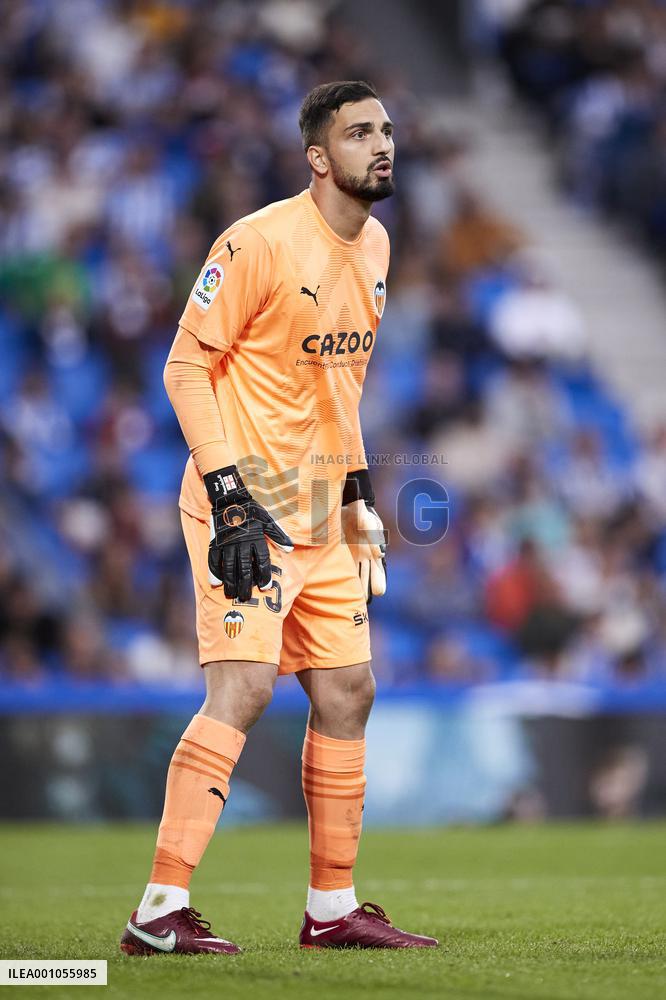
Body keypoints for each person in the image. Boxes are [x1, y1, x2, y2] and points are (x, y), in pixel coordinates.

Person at [120, 80, 438, 954]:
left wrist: (360, 492)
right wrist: (227, 497)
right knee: (246, 687)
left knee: (348, 691)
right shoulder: (257, 242)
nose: (383, 144)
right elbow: (185, 369)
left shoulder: (374, 244)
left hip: (322, 508)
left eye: (388, 129)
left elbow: (339, 385)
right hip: (244, 506)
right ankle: (156, 913)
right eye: (360, 132)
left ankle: (331, 911)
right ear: (317, 156)